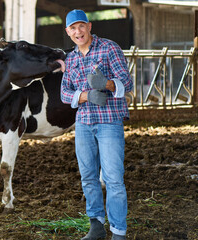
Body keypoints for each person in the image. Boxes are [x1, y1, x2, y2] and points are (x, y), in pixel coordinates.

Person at [60, 9, 133, 240]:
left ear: (89, 27)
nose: (78, 31)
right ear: (68, 32)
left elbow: (127, 82)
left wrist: (108, 84)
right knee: (88, 176)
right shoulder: (71, 58)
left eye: (81, 26)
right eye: (73, 28)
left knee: (113, 178)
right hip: (83, 123)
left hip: (109, 120)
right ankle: (97, 225)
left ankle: (119, 232)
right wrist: (86, 96)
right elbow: (64, 92)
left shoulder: (109, 48)